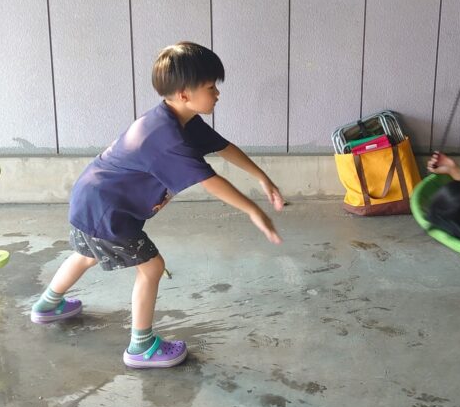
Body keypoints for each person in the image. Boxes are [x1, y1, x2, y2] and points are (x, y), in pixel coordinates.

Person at [30, 42, 285, 368]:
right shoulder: (165, 136)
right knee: (151, 267)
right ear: (184, 94)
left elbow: (223, 147)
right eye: (211, 88)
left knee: (86, 255)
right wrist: (254, 210)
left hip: (90, 198)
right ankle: (141, 347)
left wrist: (262, 177)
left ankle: (47, 305)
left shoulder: (181, 118)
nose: (217, 94)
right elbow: (209, 180)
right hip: (108, 211)